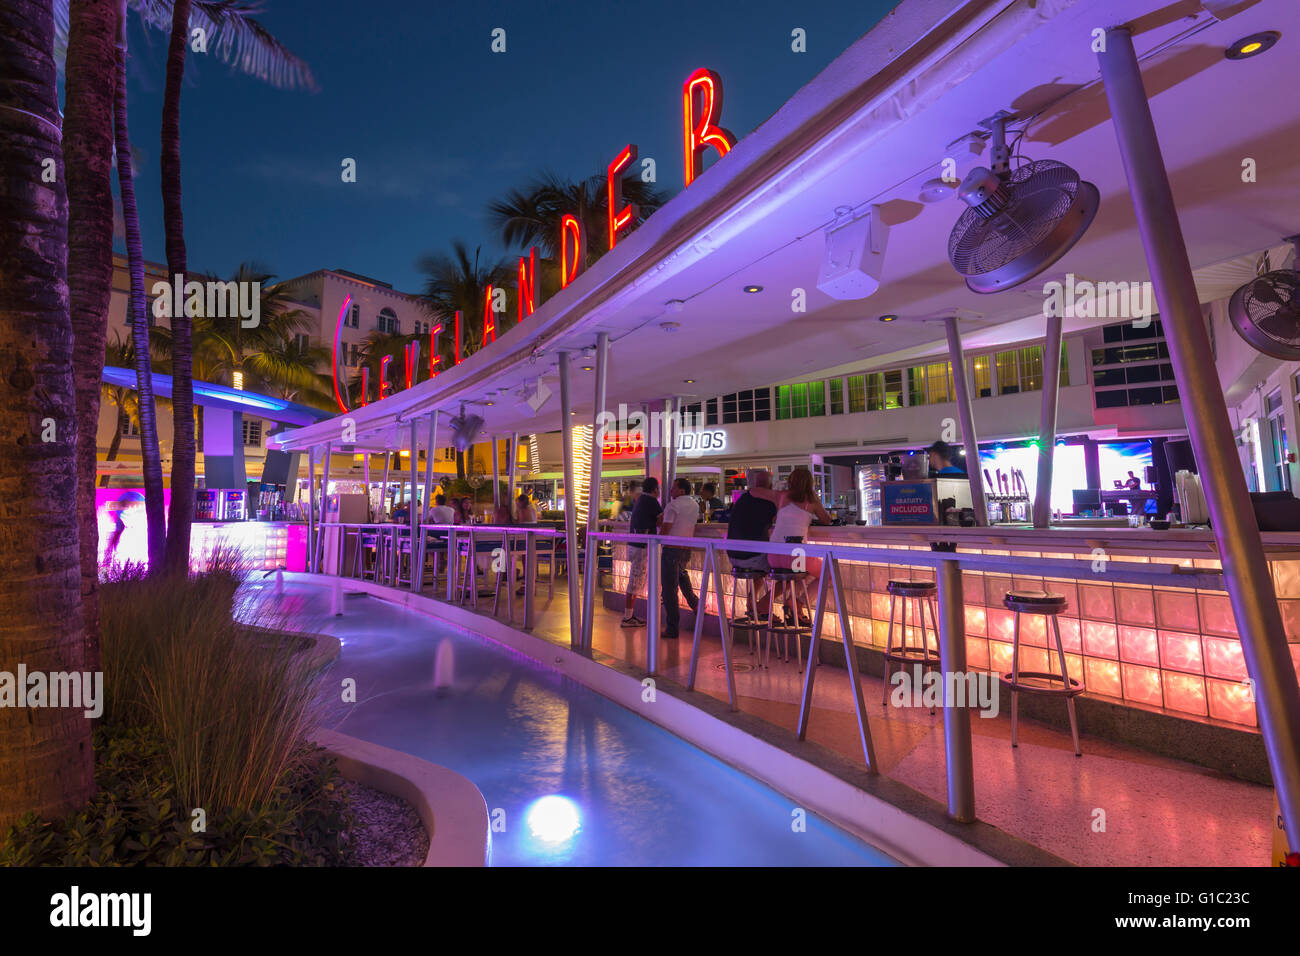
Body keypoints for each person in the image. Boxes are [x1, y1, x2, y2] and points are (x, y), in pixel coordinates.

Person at [769, 466, 832, 626]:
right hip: (795, 555)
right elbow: (827, 520)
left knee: (800, 573)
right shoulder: (811, 501)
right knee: (828, 573)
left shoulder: (782, 497)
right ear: (809, 483)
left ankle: (793, 603)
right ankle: (799, 603)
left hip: (773, 555)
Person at [726, 469, 778, 620]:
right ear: (770, 486)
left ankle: (751, 603)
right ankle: (763, 605)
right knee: (789, 568)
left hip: (733, 557)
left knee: (762, 563)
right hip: (752, 558)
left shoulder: (742, 500)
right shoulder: (769, 502)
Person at [660, 477, 701, 640]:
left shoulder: (673, 505)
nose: (671, 491)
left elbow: (666, 528)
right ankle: (695, 604)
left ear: (682, 490)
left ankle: (672, 628)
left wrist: (657, 538)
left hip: (671, 550)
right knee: (682, 577)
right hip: (686, 549)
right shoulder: (695, 504)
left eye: (674, 488)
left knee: (669, 591)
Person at [621, 476, 663, 628]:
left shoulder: (641, 500)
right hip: (641, 547)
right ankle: (627, 617)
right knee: (635, 582)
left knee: (636, 580)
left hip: (635, 545)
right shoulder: (650, 501)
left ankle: (629, 616)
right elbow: (661, 520)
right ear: (655, 489)